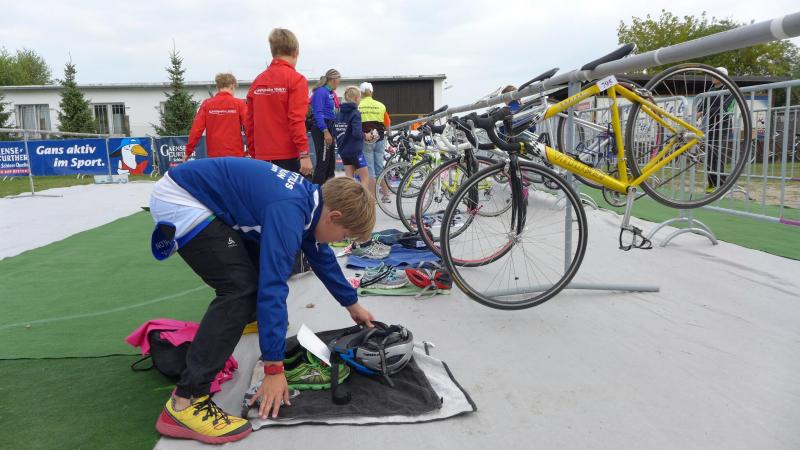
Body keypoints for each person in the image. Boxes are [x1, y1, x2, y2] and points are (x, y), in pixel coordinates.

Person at [149, 157, 376, 444]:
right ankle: (186, 402)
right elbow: (273, 288)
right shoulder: (288, 211)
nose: (337, 241)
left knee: (254, 272)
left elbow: (320, 255)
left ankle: (246, 320)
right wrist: (273, 367)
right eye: (343, 235)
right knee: (240, 291)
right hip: (181, 199)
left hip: (197, 192)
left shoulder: (311, 200)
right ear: (334, 216)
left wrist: (352, 304)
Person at [246, 28, 312, 177]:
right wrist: (304, 154)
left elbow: (249, 122)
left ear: (273, 52)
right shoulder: (296, 79)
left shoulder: (258, 81)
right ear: (295, 53)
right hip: (289, 156)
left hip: (262, 156)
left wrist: (254, 152)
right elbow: (296, 119)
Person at [184, 73, 248, 161]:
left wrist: (188, 152)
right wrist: (252, 149)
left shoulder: (207, 104)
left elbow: (196, 130)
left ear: (218, 87)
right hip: (235, 155)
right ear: (232, 86)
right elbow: (249, 127)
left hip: (214, 155)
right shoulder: (239, 104)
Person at [697, 67, 734, 192]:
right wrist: (698, 112)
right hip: (710, 126)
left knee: (718, 155)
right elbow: (701, 105)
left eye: (716, 75)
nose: (713, 77)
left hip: (723, 126)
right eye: (712, 75)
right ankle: (711, 183)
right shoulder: (711, 90)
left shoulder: (729, 90)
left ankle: (721, 184)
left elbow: (724, 108)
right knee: (709, 155)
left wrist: (703, 112)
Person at [358, 82, 390, 201]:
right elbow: (387, 123)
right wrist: (387, 133)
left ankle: (372, 198)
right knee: (379, 167)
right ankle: (386, 195)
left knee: (370, 169)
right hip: (380, 138)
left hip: (366, 139)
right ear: (372, 92)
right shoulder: (381, 105)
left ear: (361, 93)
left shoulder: (358, 105)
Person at [334, 86, 370, 192]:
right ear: (355, 98)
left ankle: (349, 200)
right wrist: (365, 135)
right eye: (360, 97)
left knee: (349, 180)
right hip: (355, 152)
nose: (360, 100)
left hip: (343, 151)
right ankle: (361, 200)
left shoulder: (338, 113)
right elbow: (357, 133)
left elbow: (334, 131)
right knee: (365, 178)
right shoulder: (355, 113)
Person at [310, 69, 341, 183]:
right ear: (333, 80)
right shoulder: (321, 92)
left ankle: (330, 189)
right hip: (322, 127)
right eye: (339, 80)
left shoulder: (330, 93)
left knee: (331, 162)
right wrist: (325, 131)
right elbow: (317, 113)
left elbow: (334, 110)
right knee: (323, 161)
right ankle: (316, 189)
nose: (339, 83)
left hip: (330, 126)